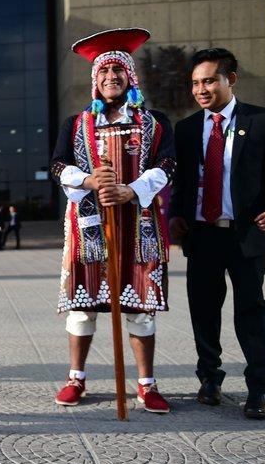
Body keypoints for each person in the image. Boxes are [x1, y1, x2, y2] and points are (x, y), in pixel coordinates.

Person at [49, 28, 176, 414]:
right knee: (83, 306)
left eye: (117, 72)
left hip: (138, 225)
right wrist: (86, 180)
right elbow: (57, 165)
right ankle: (76, 378)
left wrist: (131, 190)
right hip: (90, 225)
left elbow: (167, 165)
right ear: (95, 80)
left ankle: (146, 384)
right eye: (103, 73)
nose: (110, 78)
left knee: (140, 305)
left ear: (130, 77)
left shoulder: (154, 122)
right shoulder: (76, 123)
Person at [169, 48, 265, 419]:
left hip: (245, 235)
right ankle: (209, 378)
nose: (201, 89)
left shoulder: (263, 121)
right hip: (202, 235)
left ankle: (259, 389)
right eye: (195, 83)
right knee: (204, 311)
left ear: (229, 80)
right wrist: (176, 215)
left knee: (251, 312)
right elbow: (182, 184)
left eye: (208, 80)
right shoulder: (187, 129)